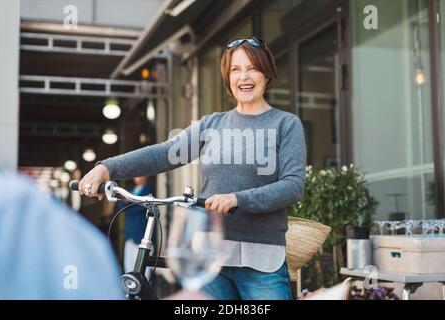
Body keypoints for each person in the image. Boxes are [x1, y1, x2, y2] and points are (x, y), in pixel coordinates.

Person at [78, 36, 306, 300]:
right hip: (210, 258)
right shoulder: (212, 125)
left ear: (267, 74)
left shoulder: (285, 124)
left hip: (261, 260)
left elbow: (292, 186)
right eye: (236, 69)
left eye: (252, 68)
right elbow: (163, 154)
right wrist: (106, 169)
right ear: (228, 78)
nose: (244, 77)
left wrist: (237, 199)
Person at [0, 172, 209, 300]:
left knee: (146, 276)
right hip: (131, 234)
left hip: (142, 231)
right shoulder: (16, 200)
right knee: (131, 274)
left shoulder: (17, 200)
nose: (138, 176)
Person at [115, 176, 156, 277]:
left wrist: (128, 203)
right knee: (129, 267)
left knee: (143, 270)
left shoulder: (149, 189)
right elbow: (120, 206)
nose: (136, 177)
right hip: (130, 234)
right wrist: (129, 205)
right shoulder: (131, 190)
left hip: (143, 234)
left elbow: (140, 208)